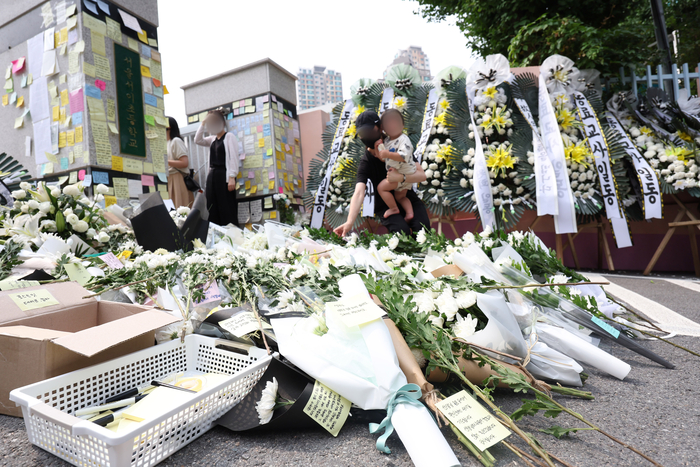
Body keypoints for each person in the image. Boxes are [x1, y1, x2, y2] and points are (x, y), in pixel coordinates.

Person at [334, 110, 430, 237]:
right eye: (362, 133)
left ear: (380, 128)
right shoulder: (366, 162)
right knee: (401, 233)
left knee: (422, 230)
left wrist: (400, 178)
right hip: (386, 206)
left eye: (370, 130)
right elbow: (358, 193)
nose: (366, 135)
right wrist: (349, 222)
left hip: (405, 197)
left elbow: (421, 175)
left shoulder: (397, 145)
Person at [194, 109, 240, 226]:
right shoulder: (212, 139)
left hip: (224, 175)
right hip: (212, 177)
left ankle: (231, 234)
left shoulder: (229, 136)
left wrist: (232, 177)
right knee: (212, 207)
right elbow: (197, 140)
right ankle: (216, 233)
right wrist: (203, 123)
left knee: (226, 206)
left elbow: (233, 157)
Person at [375, 109, 416, 220]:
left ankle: (393, 208)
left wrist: (388, 153)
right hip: (400, 175)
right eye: (389, 124)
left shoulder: (404, 139)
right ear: (383, 128)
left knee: (381, 188)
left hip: (403, 172)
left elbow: (403, 156)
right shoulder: (387, 141)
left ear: (402, 125)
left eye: (395, 123)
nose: (393, 126)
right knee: (400, 197)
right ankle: (409, 213)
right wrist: (378, 150)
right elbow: (384, 159)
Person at [166, 116, 194, 209]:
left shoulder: (176, 141)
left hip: (177, 179)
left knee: (179, 209)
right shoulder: (165, 142)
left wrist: (166, 162)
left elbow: (184, 162)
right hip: (168, 179)